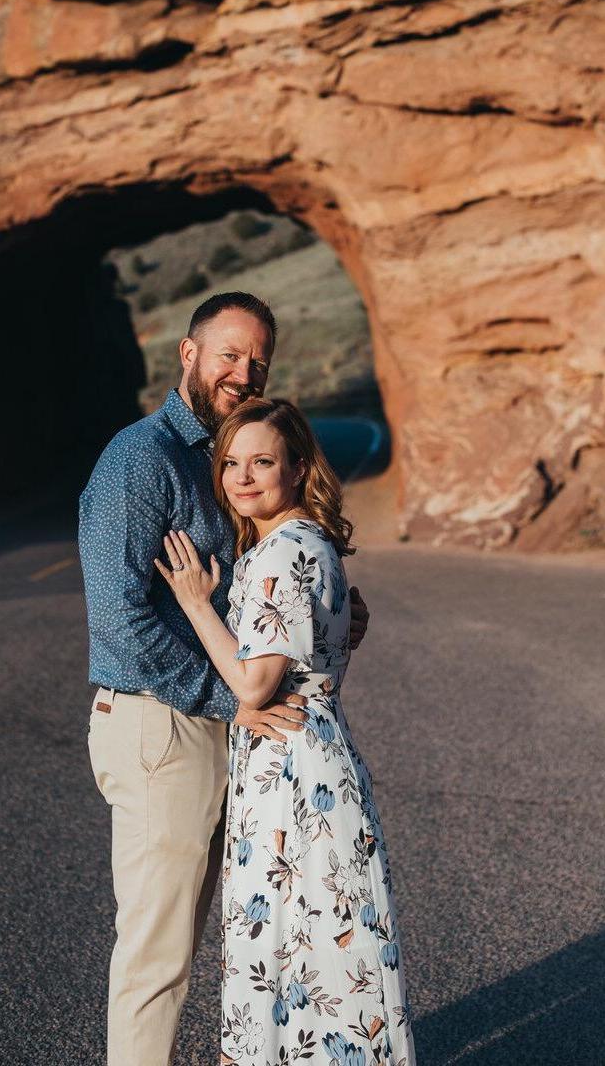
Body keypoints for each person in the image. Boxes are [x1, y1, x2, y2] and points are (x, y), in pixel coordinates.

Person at [79, 292, 370, 1066]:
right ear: (189, 354)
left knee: (250, 937)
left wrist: (326, 612)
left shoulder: (223, 456)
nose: (244, 373)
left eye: (258, 362)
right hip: (162, 723)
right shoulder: (139, 461)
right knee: (158, 954)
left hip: (226, 722)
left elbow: (260, 587)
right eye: (229, 355)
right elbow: (119, 620)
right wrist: (230, 700)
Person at [154, 397, 416, 1066]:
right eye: (230, 463)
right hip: (304, 756)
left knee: (289, 942)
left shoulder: (284, 552)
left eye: (262, 462)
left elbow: (253, 685)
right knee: (313, 946)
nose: (242, 478)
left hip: (293, 771)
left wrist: (195, 603)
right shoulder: (301, 543)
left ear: (298, 468)